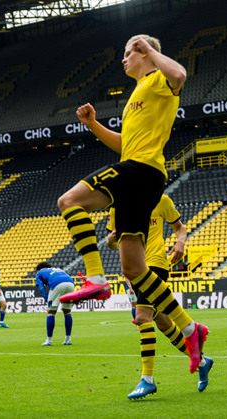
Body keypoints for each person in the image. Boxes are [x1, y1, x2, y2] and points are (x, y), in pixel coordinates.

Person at [56, 34, 208, 379]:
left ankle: (95, 277)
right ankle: (190, 329)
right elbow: (126, 144)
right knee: (134, 269)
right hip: (140, 172)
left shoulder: (157, 80)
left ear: (143, 53)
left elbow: (180, 75)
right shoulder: (138, 93)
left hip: (141, 171)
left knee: (69, 201)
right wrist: (93, 125)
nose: (123, 59)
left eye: (128, 53)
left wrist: (150, 48)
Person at [107, 195, 214, 398]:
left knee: (142, 318)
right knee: (163, 323)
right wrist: (109, 241)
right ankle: (202, 361)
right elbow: (115, 244)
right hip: (134, 269)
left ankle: (147, 380)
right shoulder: (117, 207)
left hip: (155, 264)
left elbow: (180, 228)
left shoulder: (160, 200)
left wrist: (180, 242)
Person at [35, 262, 75, 346]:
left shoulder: (39, 272)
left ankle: (49, 341)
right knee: (67, 311)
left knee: (51, 312)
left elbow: (41, 287)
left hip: (57, 284)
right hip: (71, 283)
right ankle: (68, 339)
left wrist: (47, 302)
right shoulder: (58, 269)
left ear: (39, 269)